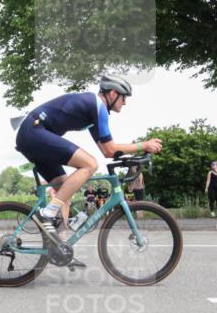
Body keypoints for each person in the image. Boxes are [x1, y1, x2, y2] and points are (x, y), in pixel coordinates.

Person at [13, 76, 162, 251]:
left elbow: (107, 151)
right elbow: (110, 150)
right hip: (34, 132)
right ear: (113, 93)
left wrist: (132, 153)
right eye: (124, 97)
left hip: (31, 134)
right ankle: (47, 213)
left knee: (64, 189)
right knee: (90, 164)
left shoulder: (93, 113)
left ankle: (60, 247)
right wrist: (143, 145)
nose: (125, 103)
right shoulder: (98, 107)